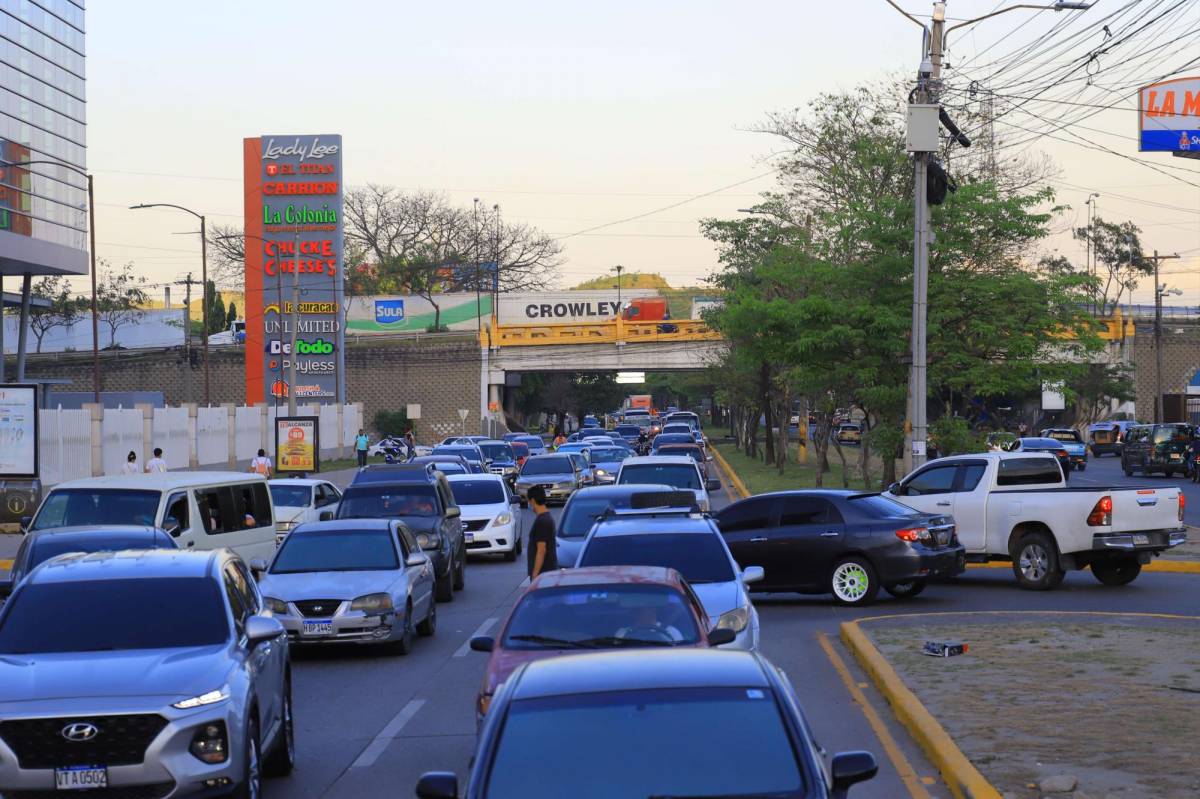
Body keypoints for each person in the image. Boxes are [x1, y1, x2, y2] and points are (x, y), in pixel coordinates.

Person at [526, 485, 557, 580]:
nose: (529, 504)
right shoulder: (546, 518)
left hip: (543, 574)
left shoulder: (542, 521)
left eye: (529, 501)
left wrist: (535, 575)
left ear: (533, 501)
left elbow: (541, 550)